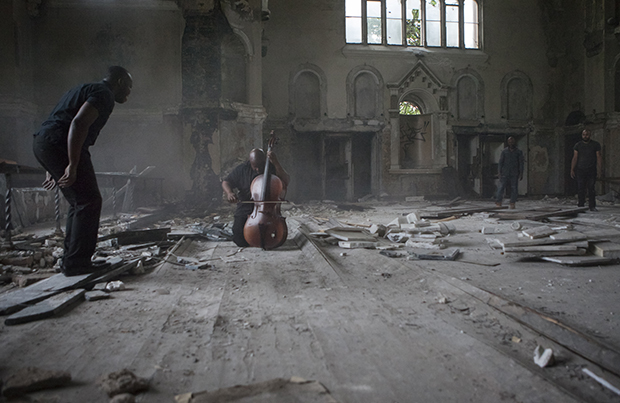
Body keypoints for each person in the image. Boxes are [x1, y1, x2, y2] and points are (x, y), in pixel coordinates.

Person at [32, 66, 133, 276]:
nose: (129, 94)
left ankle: (71, 260)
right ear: (120, 82)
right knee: (89, 201)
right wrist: (72, 163)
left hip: (45, 143)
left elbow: (60, 119)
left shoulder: (84, 88)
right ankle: (77, 263)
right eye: (128, 88)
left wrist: (52, 164)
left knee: (80, 202)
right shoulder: (104, 94)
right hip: (59, 144)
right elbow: (78, 124)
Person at [222, 148, 290, 247]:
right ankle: (254, 238)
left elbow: (286, 180)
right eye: (255, 167)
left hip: (268, 209)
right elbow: (226, 182)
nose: (258, 170)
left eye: (260, 166)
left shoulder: (271, 167)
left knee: (276, 239)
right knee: (239, 239)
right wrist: (229, 193)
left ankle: (261, 239)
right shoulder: (242, 169)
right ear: (250, 161)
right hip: (245, 207)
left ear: (264, 161)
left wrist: (276, 162)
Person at [571, 128, 602, 211]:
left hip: (591, 170)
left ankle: (592, 206)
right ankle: (581, 205)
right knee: (581, 188)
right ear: (582, 135)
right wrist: (572, 169)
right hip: (580, 169)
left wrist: (599, 169)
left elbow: (598, 157)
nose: (585, 136)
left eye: (587, 134)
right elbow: (575, 157)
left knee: (591, 188)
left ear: (590, 135)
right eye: (584, 135)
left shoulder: (595, 145)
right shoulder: (578, 145)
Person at [495, 136, 524, 209]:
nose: (511, 143)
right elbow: (500, 162)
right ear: (508, 143)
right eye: (509, 142)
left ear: (514, 142)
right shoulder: (504, 152)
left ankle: (512, 203)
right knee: (501, 187)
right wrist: (499, 172)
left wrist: (521, 173)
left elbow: (521, 163)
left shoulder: (518, 152)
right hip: (504, 173)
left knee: (514, 188)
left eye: (512, 142)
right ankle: (498, 202)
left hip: (514, 173)